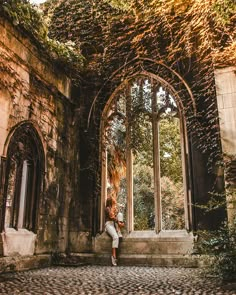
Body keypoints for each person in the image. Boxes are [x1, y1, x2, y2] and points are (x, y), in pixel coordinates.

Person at [105, 192, 123, 266]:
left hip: (114, 225)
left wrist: (119, 222)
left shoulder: (114, 209)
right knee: (115, 237)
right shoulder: (108, 209)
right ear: (111, 202)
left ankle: (119, 231)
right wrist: (117, 221)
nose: (114, 203)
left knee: (120, 214)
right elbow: (111, 217)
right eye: (113, 202)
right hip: (108, 224)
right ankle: (113, 256)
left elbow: (117, 217)